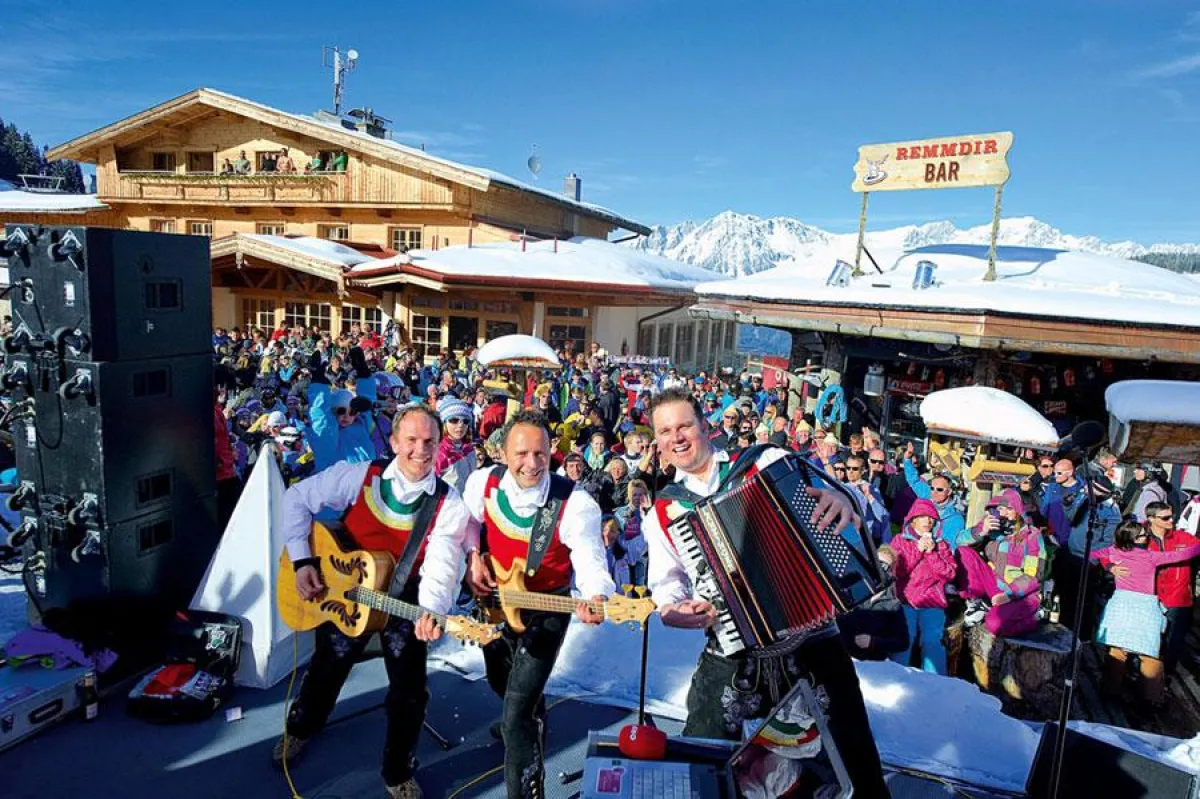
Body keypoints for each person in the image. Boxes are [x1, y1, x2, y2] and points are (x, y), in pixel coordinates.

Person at [641, 388, 888, 797]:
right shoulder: (663, 513)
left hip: (812, 641)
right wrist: (672, 608)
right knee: (702, 757)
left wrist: (841, 498)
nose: (677, 437)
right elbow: (666, 583)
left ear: (706, 426)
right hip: (734, 652)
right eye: (666, 431)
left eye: (684, 425)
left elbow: (835, 496)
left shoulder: (766, 461)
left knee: (854, 759)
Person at [275, 406, 470, 799]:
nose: (421, 450)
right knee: (327, 668)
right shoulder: (358, 476)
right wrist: (302, 562)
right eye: (411, 441)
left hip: (405, 598)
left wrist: (431, 610)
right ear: (394, 442)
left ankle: (398, 769)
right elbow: (297, 498)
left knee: (410, 689)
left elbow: (442, 563)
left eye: (429, 441)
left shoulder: (449, 504)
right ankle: (300, 728)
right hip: (343, 587)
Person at [418, 409, 614, 799]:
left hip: (546, 605)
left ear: (551, 451)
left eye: (540, 454)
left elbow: (590, 557)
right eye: (521, 454)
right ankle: (528, 713)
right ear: (502, 453)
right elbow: (467, 523)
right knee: (499, 679)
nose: (531, 463)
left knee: (516, 714)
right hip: (493, 601)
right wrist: (474, 556)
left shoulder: (574, 503)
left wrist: (597, 594)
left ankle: (526, 784)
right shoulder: (481, 483)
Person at [1092, 520, 1200, 705]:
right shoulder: (1152, 557)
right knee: (1150, 655)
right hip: (1144, 609)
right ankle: (1151, 700)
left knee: (1117, 651)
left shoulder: (1115, 552)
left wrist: (1109, 567)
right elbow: (1185, 554)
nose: (1147, 536)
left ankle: (1109, 692)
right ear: (1132, 539)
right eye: (1143, 535)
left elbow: (1093, 554)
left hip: (1121, 606)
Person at [1041, 456, 1121, 641]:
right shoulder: (1084, 500)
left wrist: (1094, 557)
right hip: (1069, 553)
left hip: (1088, 560)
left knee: (1083, 601)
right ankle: (1059, 629)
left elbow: (1109, 540)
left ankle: (1081, 637)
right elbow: (1070, 517)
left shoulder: (1111, 510)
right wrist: (1075, 500)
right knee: (1063, 594)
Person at [957, 489, 1047, 637]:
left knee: (994, 625)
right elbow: (959, 541)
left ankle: (1034, 616)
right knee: (963, 551)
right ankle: (978, 602)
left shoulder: (1032, 535)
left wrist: (1008, 595)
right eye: (1000, 508)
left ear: (1018, 511)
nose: (1004, 512)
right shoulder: (992, 528)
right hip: (993, 584)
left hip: (1019, 593)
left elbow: (1033, 576)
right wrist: (982, 531)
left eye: (1009, 508)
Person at [888, 499, 956, 675]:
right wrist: (918, 550)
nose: (928, 520)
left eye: (931, 517)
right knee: (903, 641)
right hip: (906, 600)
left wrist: (932, 553)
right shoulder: (899, 541)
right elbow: (897, 571)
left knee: (932, 642)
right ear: (913, 519)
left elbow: (949, 574)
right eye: (923, 516)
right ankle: (897, 681)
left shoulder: (941, 544)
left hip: (932, 602)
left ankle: (937, 684)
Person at [1140, 501, 1200, 673]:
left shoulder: (1182, 538)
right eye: (1165, 518)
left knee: (1173, 641)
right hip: (1150, 596)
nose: (1171, 521)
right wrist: (1111, 567)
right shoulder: (1140, 537)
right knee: (1150, 639)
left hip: (1178, 598)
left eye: (1171, 516)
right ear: (1151, 519)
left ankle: (1165, 678)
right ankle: (1144, 676)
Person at [839, 544, 909, 661]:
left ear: (892, 572)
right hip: (844, 658)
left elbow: (903, 642)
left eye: (886, 567)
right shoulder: (851, 591)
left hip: (872, 664)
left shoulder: (893, 605)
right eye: (877, 563)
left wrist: (873, 641)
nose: (880, 570)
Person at [901, 448, 966, 549]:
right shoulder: (928, 495)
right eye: (932, 488)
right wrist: (907, 460)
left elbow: (951, 548)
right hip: (914, 548)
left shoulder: (956, 518)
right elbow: (914, 481)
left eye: (939, 490)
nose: (934, 492)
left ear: (949, 492)